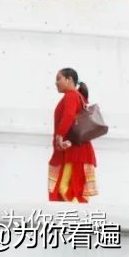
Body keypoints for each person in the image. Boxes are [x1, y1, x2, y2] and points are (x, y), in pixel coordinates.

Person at [49, 68, 98, 203]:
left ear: (69, 79)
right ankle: (75, 213)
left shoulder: (71, 95)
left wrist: (59, 136)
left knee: (65, 188)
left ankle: (76, 214)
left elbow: (69, 116)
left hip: (75, 151)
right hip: (78, 150)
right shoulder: (78, 96)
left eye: (59, 79)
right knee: (73, 189)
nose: (56, 83)